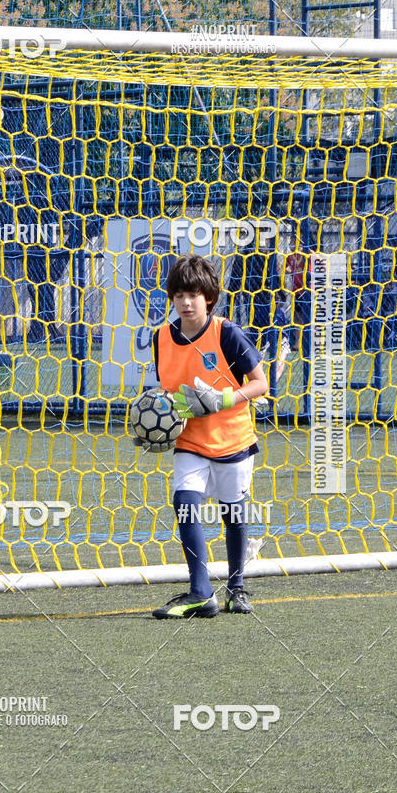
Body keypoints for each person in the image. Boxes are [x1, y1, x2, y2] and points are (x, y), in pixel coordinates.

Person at [142, 254, 268, 618]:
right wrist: (156, 424)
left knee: (233, 514)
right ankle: (200, 592)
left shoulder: (226, 333)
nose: (185, 302)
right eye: (179, 295)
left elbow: (260, 384)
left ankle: (236, 587)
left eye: (193, 295)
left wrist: (223, 399)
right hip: (190, 442)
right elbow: (169, 392)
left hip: (232, 441)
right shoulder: (161, 338)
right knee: (184, 503)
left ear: (208, 298)